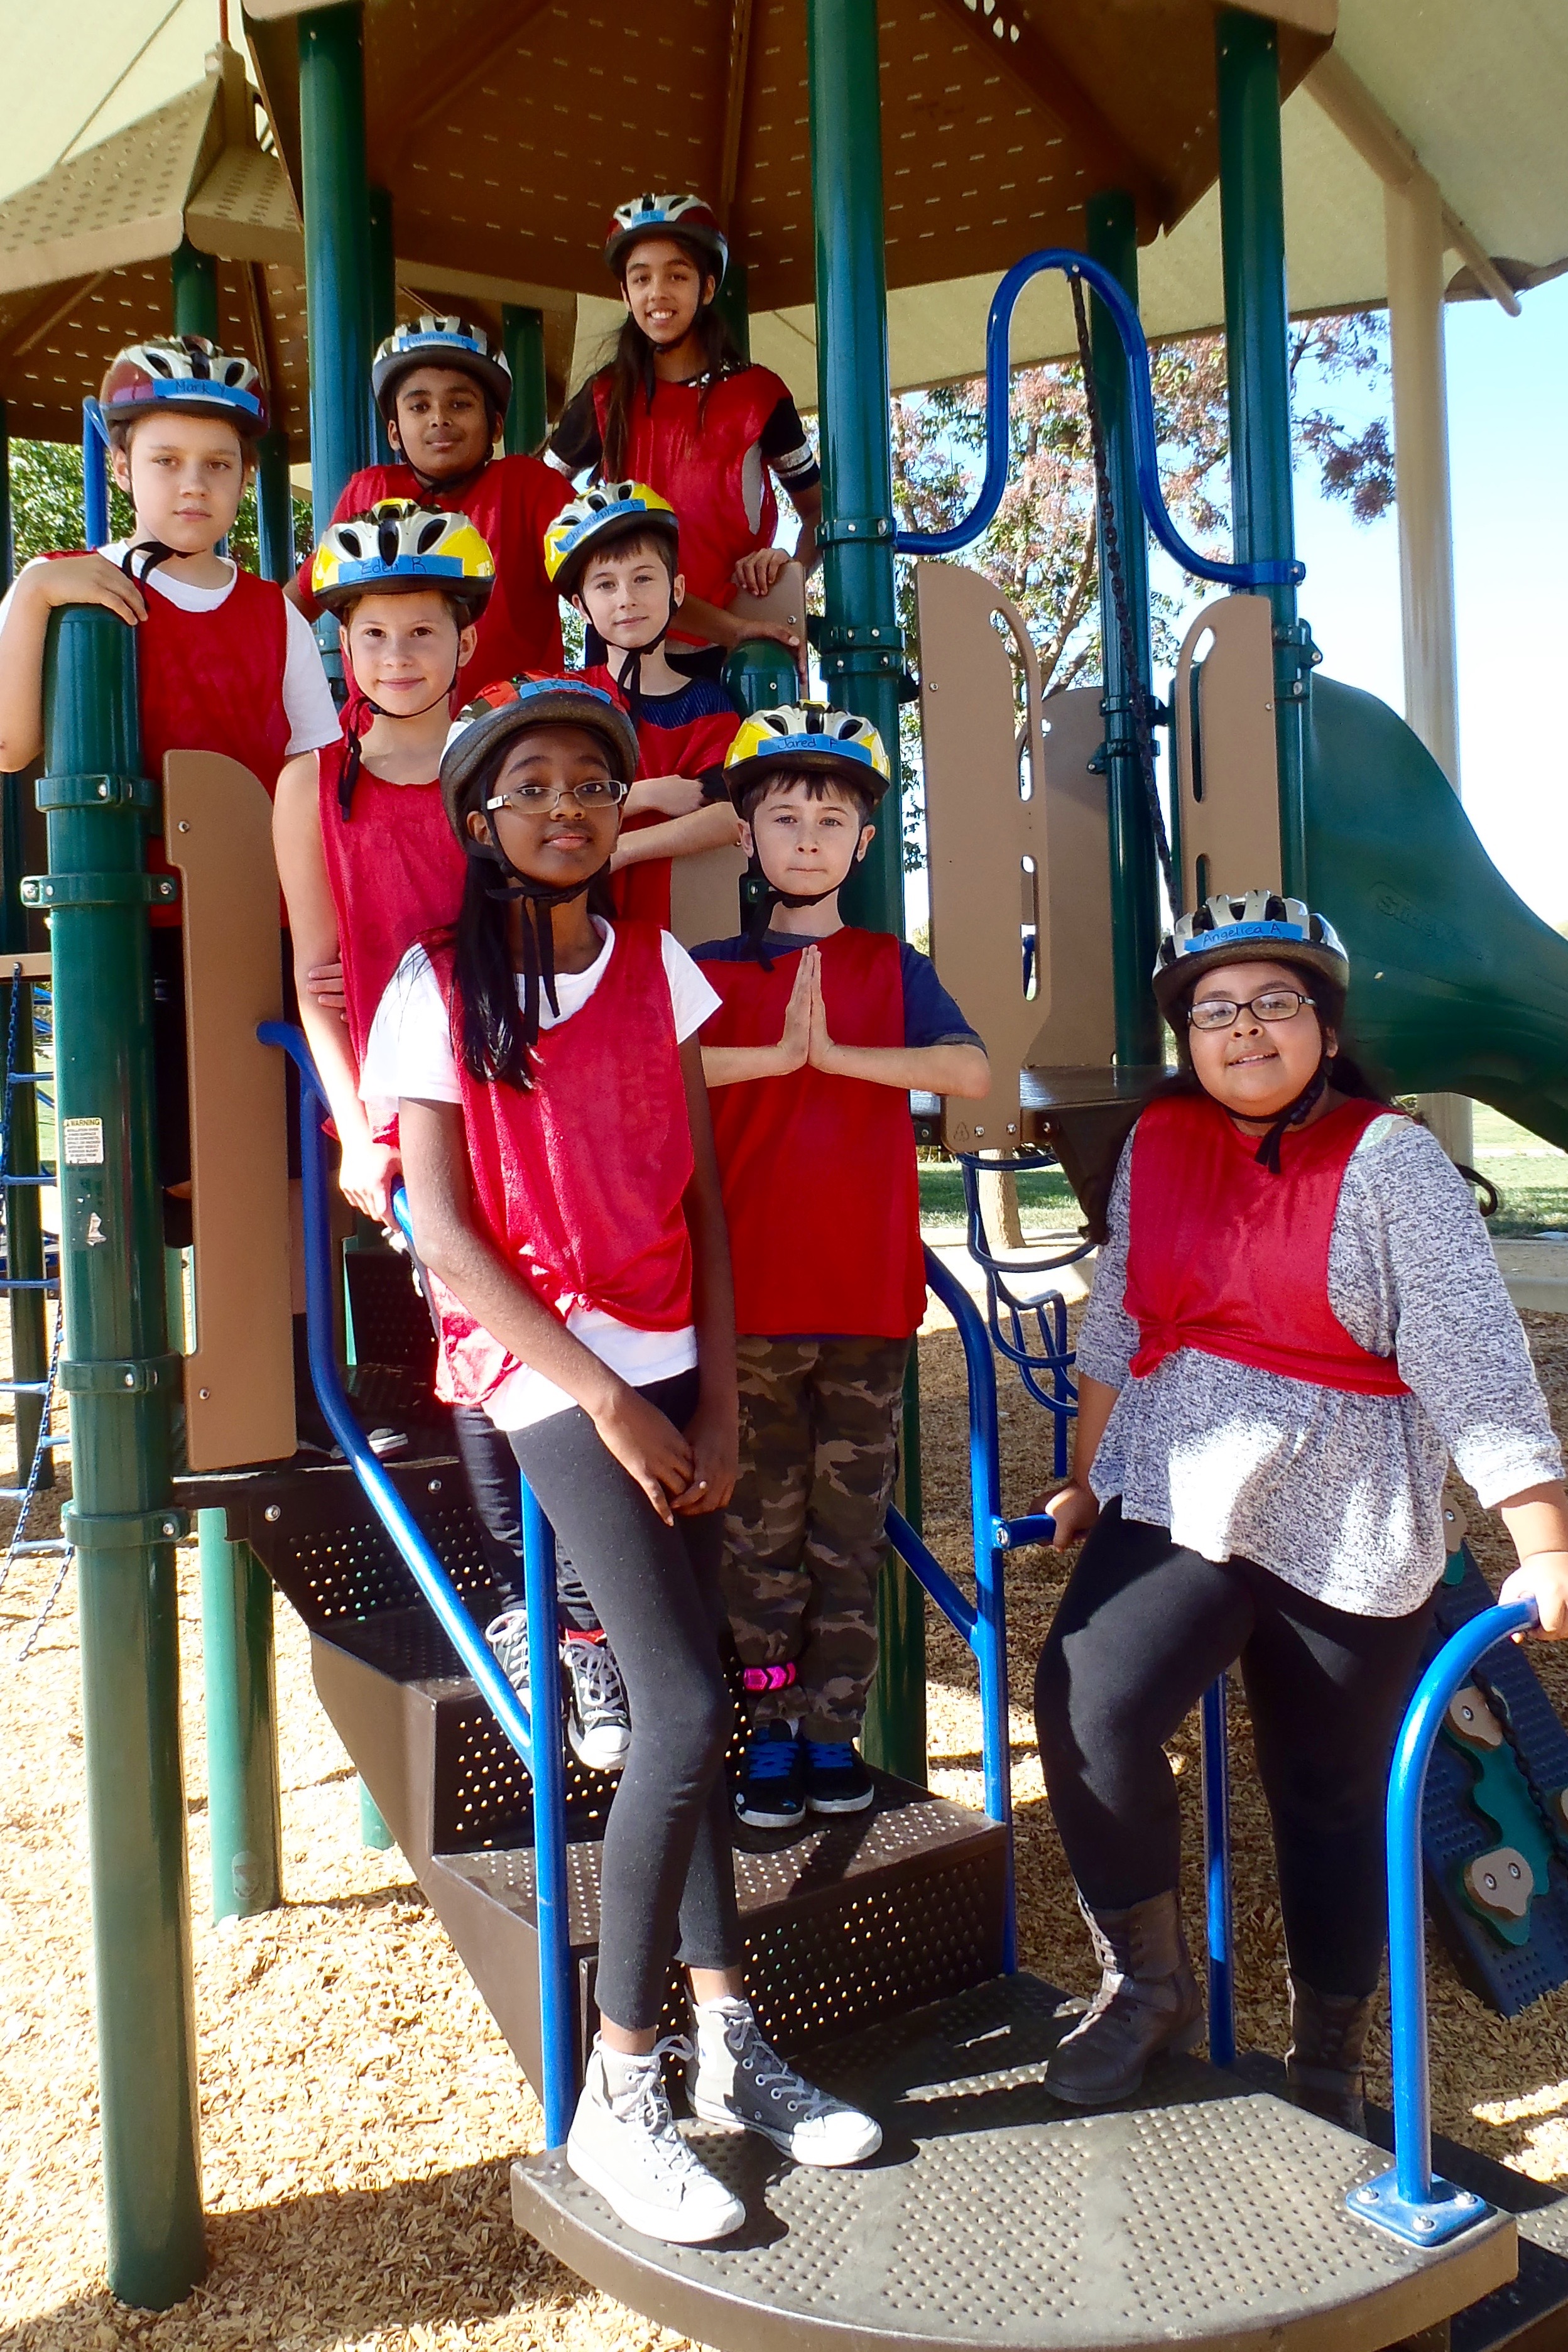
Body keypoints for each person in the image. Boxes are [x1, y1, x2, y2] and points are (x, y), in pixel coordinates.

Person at [361, 674, 881, 2241]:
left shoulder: (654, 965)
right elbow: (449, 1233)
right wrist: (605, 1399)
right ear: (479, 818)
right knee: (682, 1707)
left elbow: (701, 1200)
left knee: (696, 1700)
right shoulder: (435, 983)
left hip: (671, 1358)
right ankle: (619, 2083)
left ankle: (729, 2039)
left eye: (591, 784)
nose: (566, 809)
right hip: (544, 1370)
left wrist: (714, 1401)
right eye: (529, 786)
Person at [1030, 891, 1568, 2130]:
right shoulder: (1159, 1141)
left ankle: (1329, 2050)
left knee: (1326, 1786)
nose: (1245, 1029)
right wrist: (1089, 1473)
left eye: (1276, 1003)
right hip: (1184, 1485)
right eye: (1215, 1011)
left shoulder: (1391, 1162)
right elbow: (1120, 1322)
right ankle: (1146, 1985)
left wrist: (1541, 1538)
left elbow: (1473, 1356)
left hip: (1347, 1504)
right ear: (1187, 1038)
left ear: (1325, 1027)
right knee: (1090, 1702)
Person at [275, 521, 631, 1772]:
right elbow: (319, 976)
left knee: (572, 1326)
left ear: (466, 637)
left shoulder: (502, 760)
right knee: (480, 1347)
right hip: (404, 1098)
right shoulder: (313, 784)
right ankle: (531, 1601)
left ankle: (589, 1611)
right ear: (344, 647)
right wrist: (357, 1129)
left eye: (422, 630)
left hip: (522, 1082)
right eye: (372, 633)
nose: (398, 654)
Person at [694, 707, 989, 1829]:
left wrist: (837, 1056)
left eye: (831, 821)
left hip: (865, 1303)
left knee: (848, 1532)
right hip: (749, 1306)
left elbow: (969, 1071)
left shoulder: (890, 967)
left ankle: (833, 1733)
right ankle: (769, 1732)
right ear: (746, 837)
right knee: (757, 1532)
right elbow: (649, 1071)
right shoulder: (705, 970)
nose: (807, 839)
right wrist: (775, 1055)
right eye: (784, 818)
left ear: (864, 844)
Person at [0, 335, 341, 1248]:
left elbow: (312, 769)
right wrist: (32, 592)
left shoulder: (271, 612)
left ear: (245, 478)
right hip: (127, 925)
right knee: (143, 1169)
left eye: (218, 465)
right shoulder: (74, 585)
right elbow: (10, 743)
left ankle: (284, 1338)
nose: (194, 485)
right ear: (121, 467)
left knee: (274, 1158)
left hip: (251, 923)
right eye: (166, 460)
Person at [547, 195, 814, 678]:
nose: (658, 293)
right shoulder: (604, 396)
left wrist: (786, 572)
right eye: (641, 278)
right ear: (625, 294)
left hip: (735, 649)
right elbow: (535, 498)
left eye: (677, 276)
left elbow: (819, 512)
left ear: (707, 287)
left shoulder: (760, 394)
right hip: (620, 647)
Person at [288, 315, 570, 692]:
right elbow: (297, 601)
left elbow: (605, 572)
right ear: (394, 432)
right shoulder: (370, 491)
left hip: (512, 722)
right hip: (384, 723)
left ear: (496, 426)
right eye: (419, 407)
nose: (440, 418)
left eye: (460, 404)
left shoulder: (527, 486)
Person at [545, 481, 742, 928]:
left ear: (677, 590)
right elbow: (544, 805)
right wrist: (649, 795)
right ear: (581, 608)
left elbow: (734, 813)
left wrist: (621, 851)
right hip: (573, 931)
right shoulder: (563, 699)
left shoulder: (707, 705)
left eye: (643, 578)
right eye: (605, 584)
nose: (626, 599)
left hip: (675, 934)